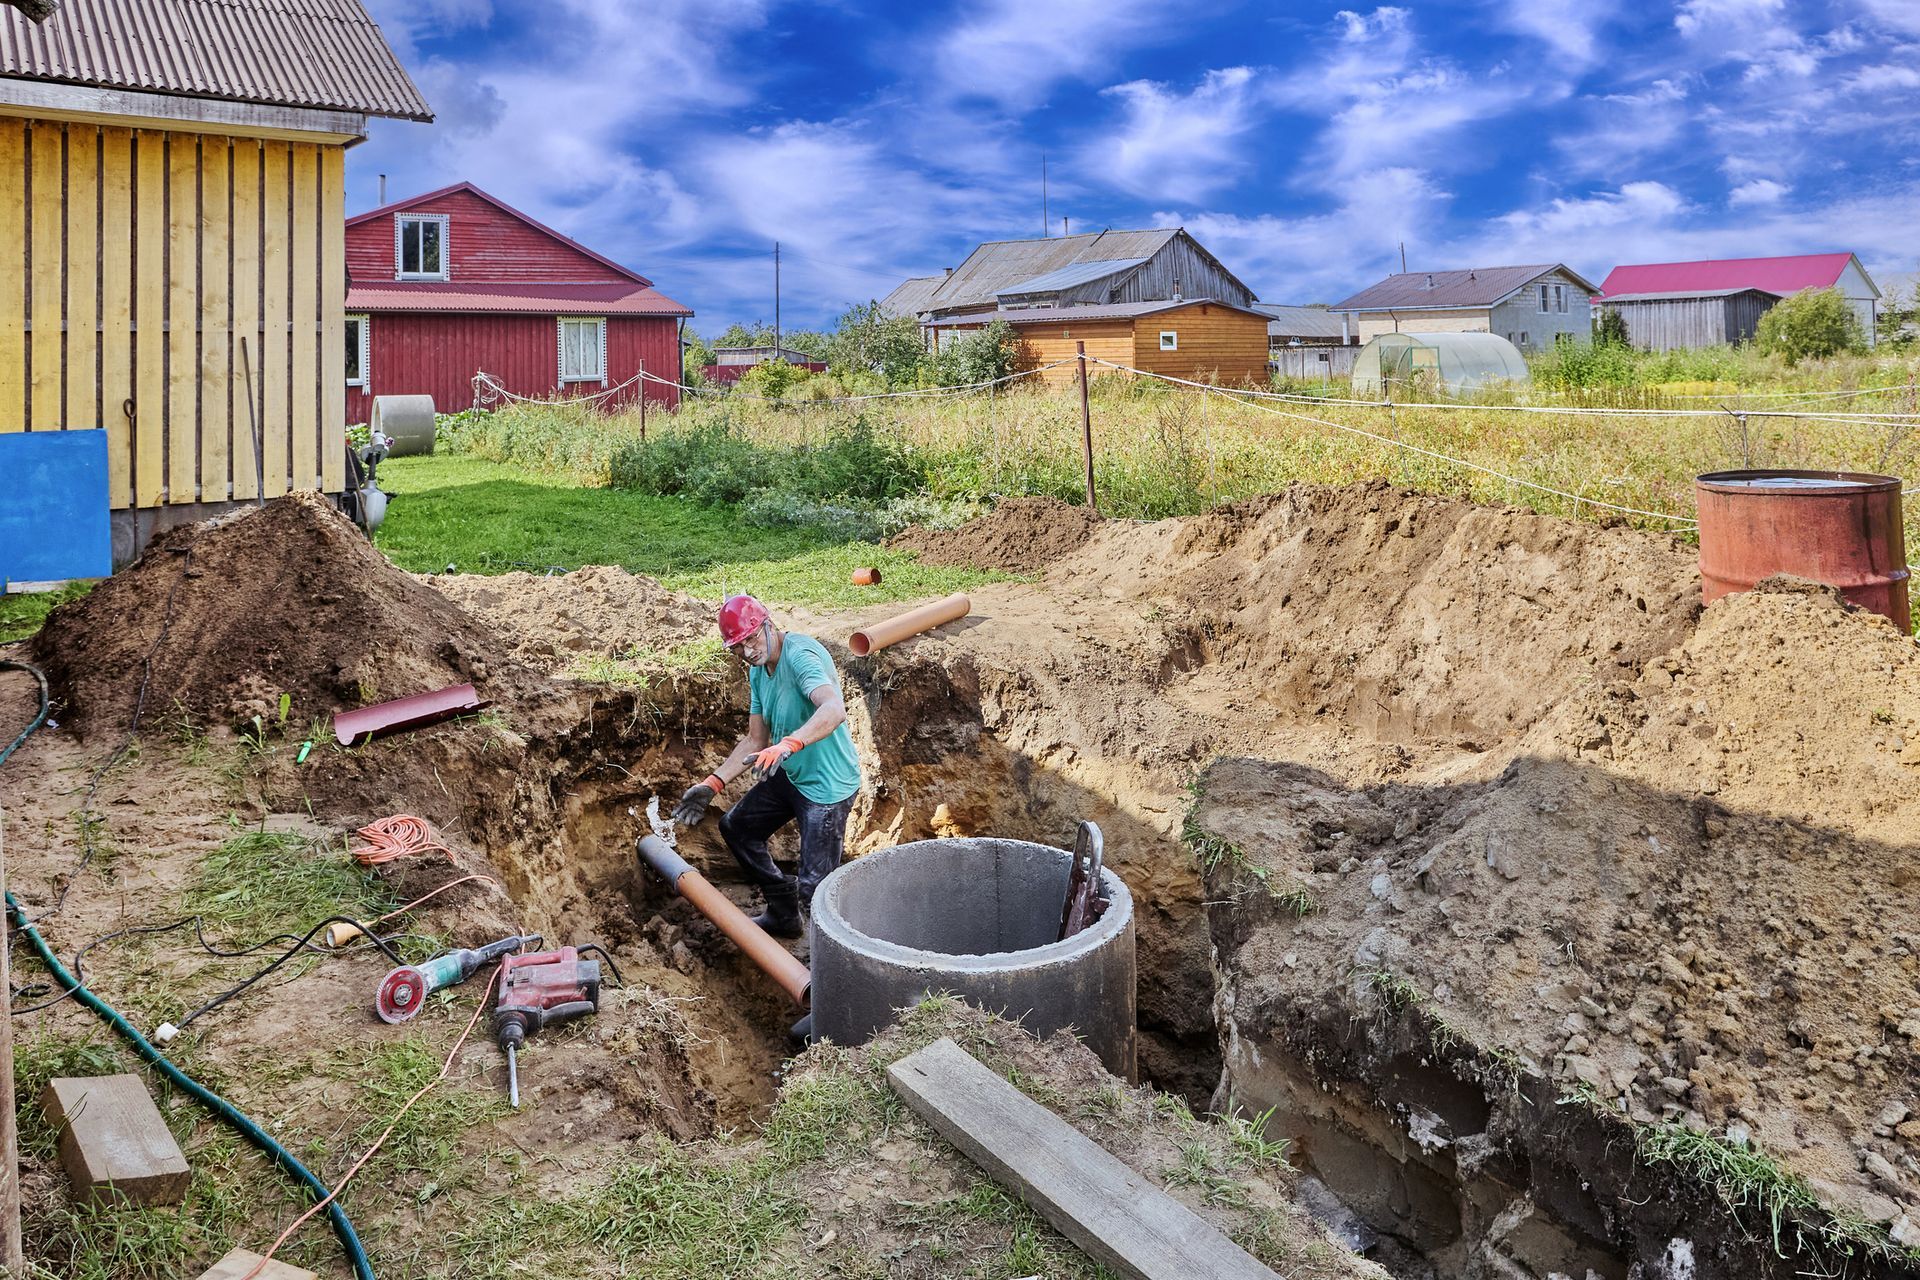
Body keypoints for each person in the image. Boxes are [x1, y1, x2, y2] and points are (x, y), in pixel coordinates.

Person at [673, 594, 862, 937]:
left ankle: (826, 969)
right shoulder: (759, 671)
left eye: (751, 639)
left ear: (768, 625)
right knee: (737, 829)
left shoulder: (801, 656)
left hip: (827, 788)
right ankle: (783, 915)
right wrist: (712, 784)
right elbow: (755, 740)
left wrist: (789, 744)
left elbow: (833, 710)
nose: (747, 652)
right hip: (791, 771)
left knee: (815, 891)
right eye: (738, 648)